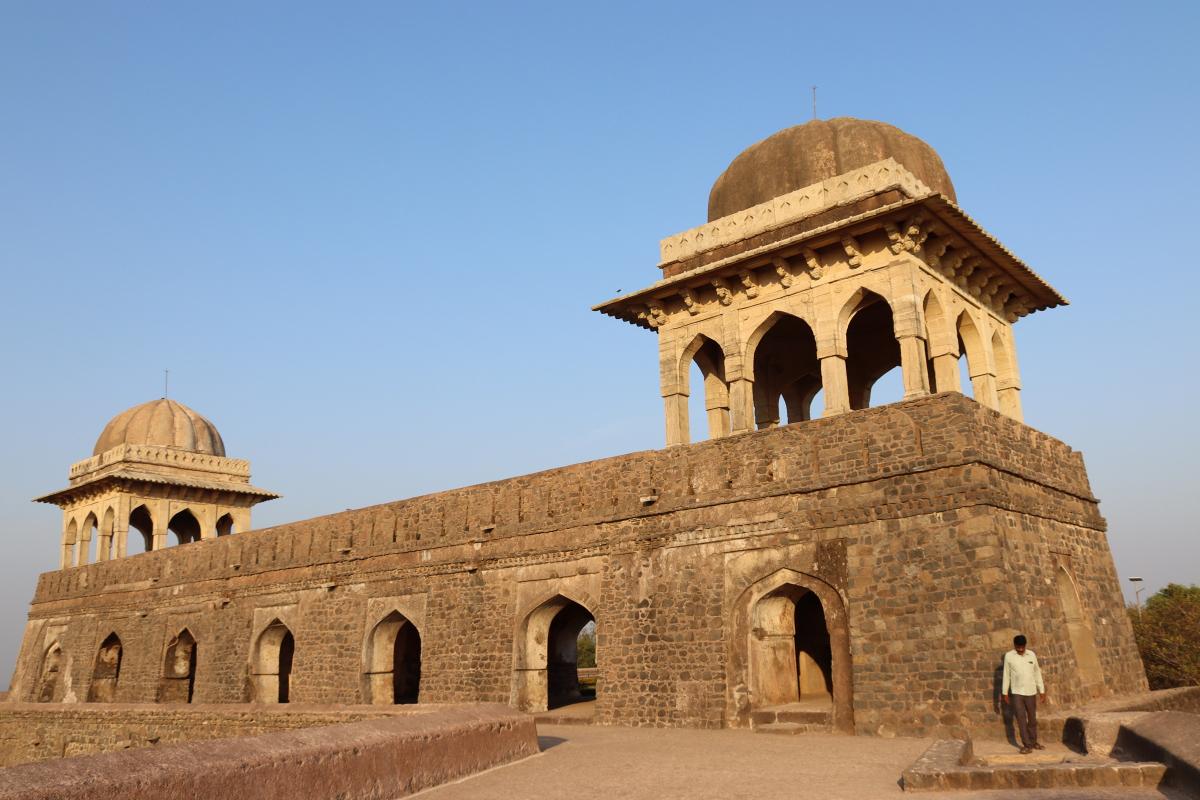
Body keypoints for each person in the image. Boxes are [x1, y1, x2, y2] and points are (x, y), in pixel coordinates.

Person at [1001, 634, 1046, 753]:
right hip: (1017, 692)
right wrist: (1004, 692)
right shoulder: (1009, 656)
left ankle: (1033, 741)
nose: (1020, 649)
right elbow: (1006, 674)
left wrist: (1042, 690)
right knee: (1021, 719)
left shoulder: (1031, 655)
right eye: (1018, 647)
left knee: (1032, 719)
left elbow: (1037, 673)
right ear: (1015, 646)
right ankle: (1026, 745)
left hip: (1031, 691)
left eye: (1022, 647)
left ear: (1025, 646)